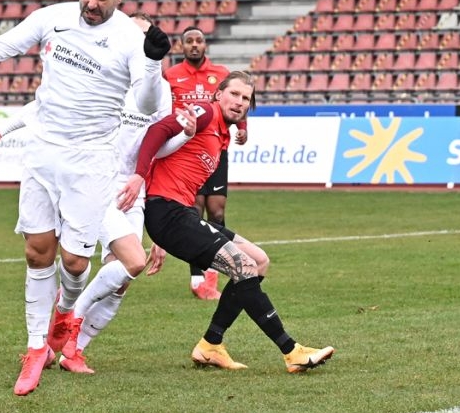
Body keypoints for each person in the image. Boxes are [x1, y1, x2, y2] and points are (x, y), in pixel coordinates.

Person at [0, 0, 168, 396]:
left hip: (91, 160)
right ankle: (36, 348)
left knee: (75, 263)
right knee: (38, 253)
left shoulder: (132, 40)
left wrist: (153, 63)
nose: (90, 3)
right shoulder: (53, 18)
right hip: (42, 152)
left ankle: (66, 314)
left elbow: (149, 105)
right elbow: (3, 45)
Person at [0, 18, 181, 374]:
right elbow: (44, 110)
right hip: (92, 179)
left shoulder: (158, 89)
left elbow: (157, 146)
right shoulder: (98, 67)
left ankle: (73, 348)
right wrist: (2, 129)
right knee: (120, 261)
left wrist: (181, 137)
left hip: (133, 188)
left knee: (124, 278)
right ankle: (64, 318)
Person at [120, 72, 332, 373]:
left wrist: (159, 234)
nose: (240, 102)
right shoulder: (205, 113)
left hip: (176, 214)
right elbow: (157, 131)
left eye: (246, 98)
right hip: (168, 213)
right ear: (218, 95)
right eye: (234, 94)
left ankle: (211, 344)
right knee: (243, 266)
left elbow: (176, 171)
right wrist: (139, 175)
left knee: (258, 261)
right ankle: (292, 351)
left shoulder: (222, 135)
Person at [163, 25, 237, 300]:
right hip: (186, 154)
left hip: (216, 148)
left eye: (199, 40)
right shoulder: (171, 76)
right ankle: (197, 277)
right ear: (181, 47)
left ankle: (216, 270)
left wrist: (242, 125)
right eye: (189, 41)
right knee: (193, 209)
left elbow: (234, 102)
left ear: (206, 45)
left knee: (216, 211)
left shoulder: (221, 74)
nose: (195, 45)